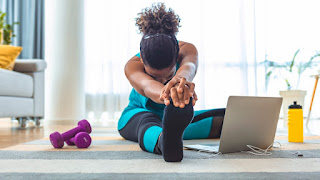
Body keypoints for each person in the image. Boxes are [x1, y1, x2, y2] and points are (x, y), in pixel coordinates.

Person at [118, 3, 225, 162]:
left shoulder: (187, 49)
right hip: (138, 115)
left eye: (167, 76)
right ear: (141, 57)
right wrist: (169, 93)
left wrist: (180, 82)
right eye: (155, 77)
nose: (162, 81)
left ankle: (172, 130)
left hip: (174, 117)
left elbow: (189, 67)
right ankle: (164, 142)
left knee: (228, 117)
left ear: (177, 57)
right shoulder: (132, 66)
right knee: (147, 123)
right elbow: (148, 87)